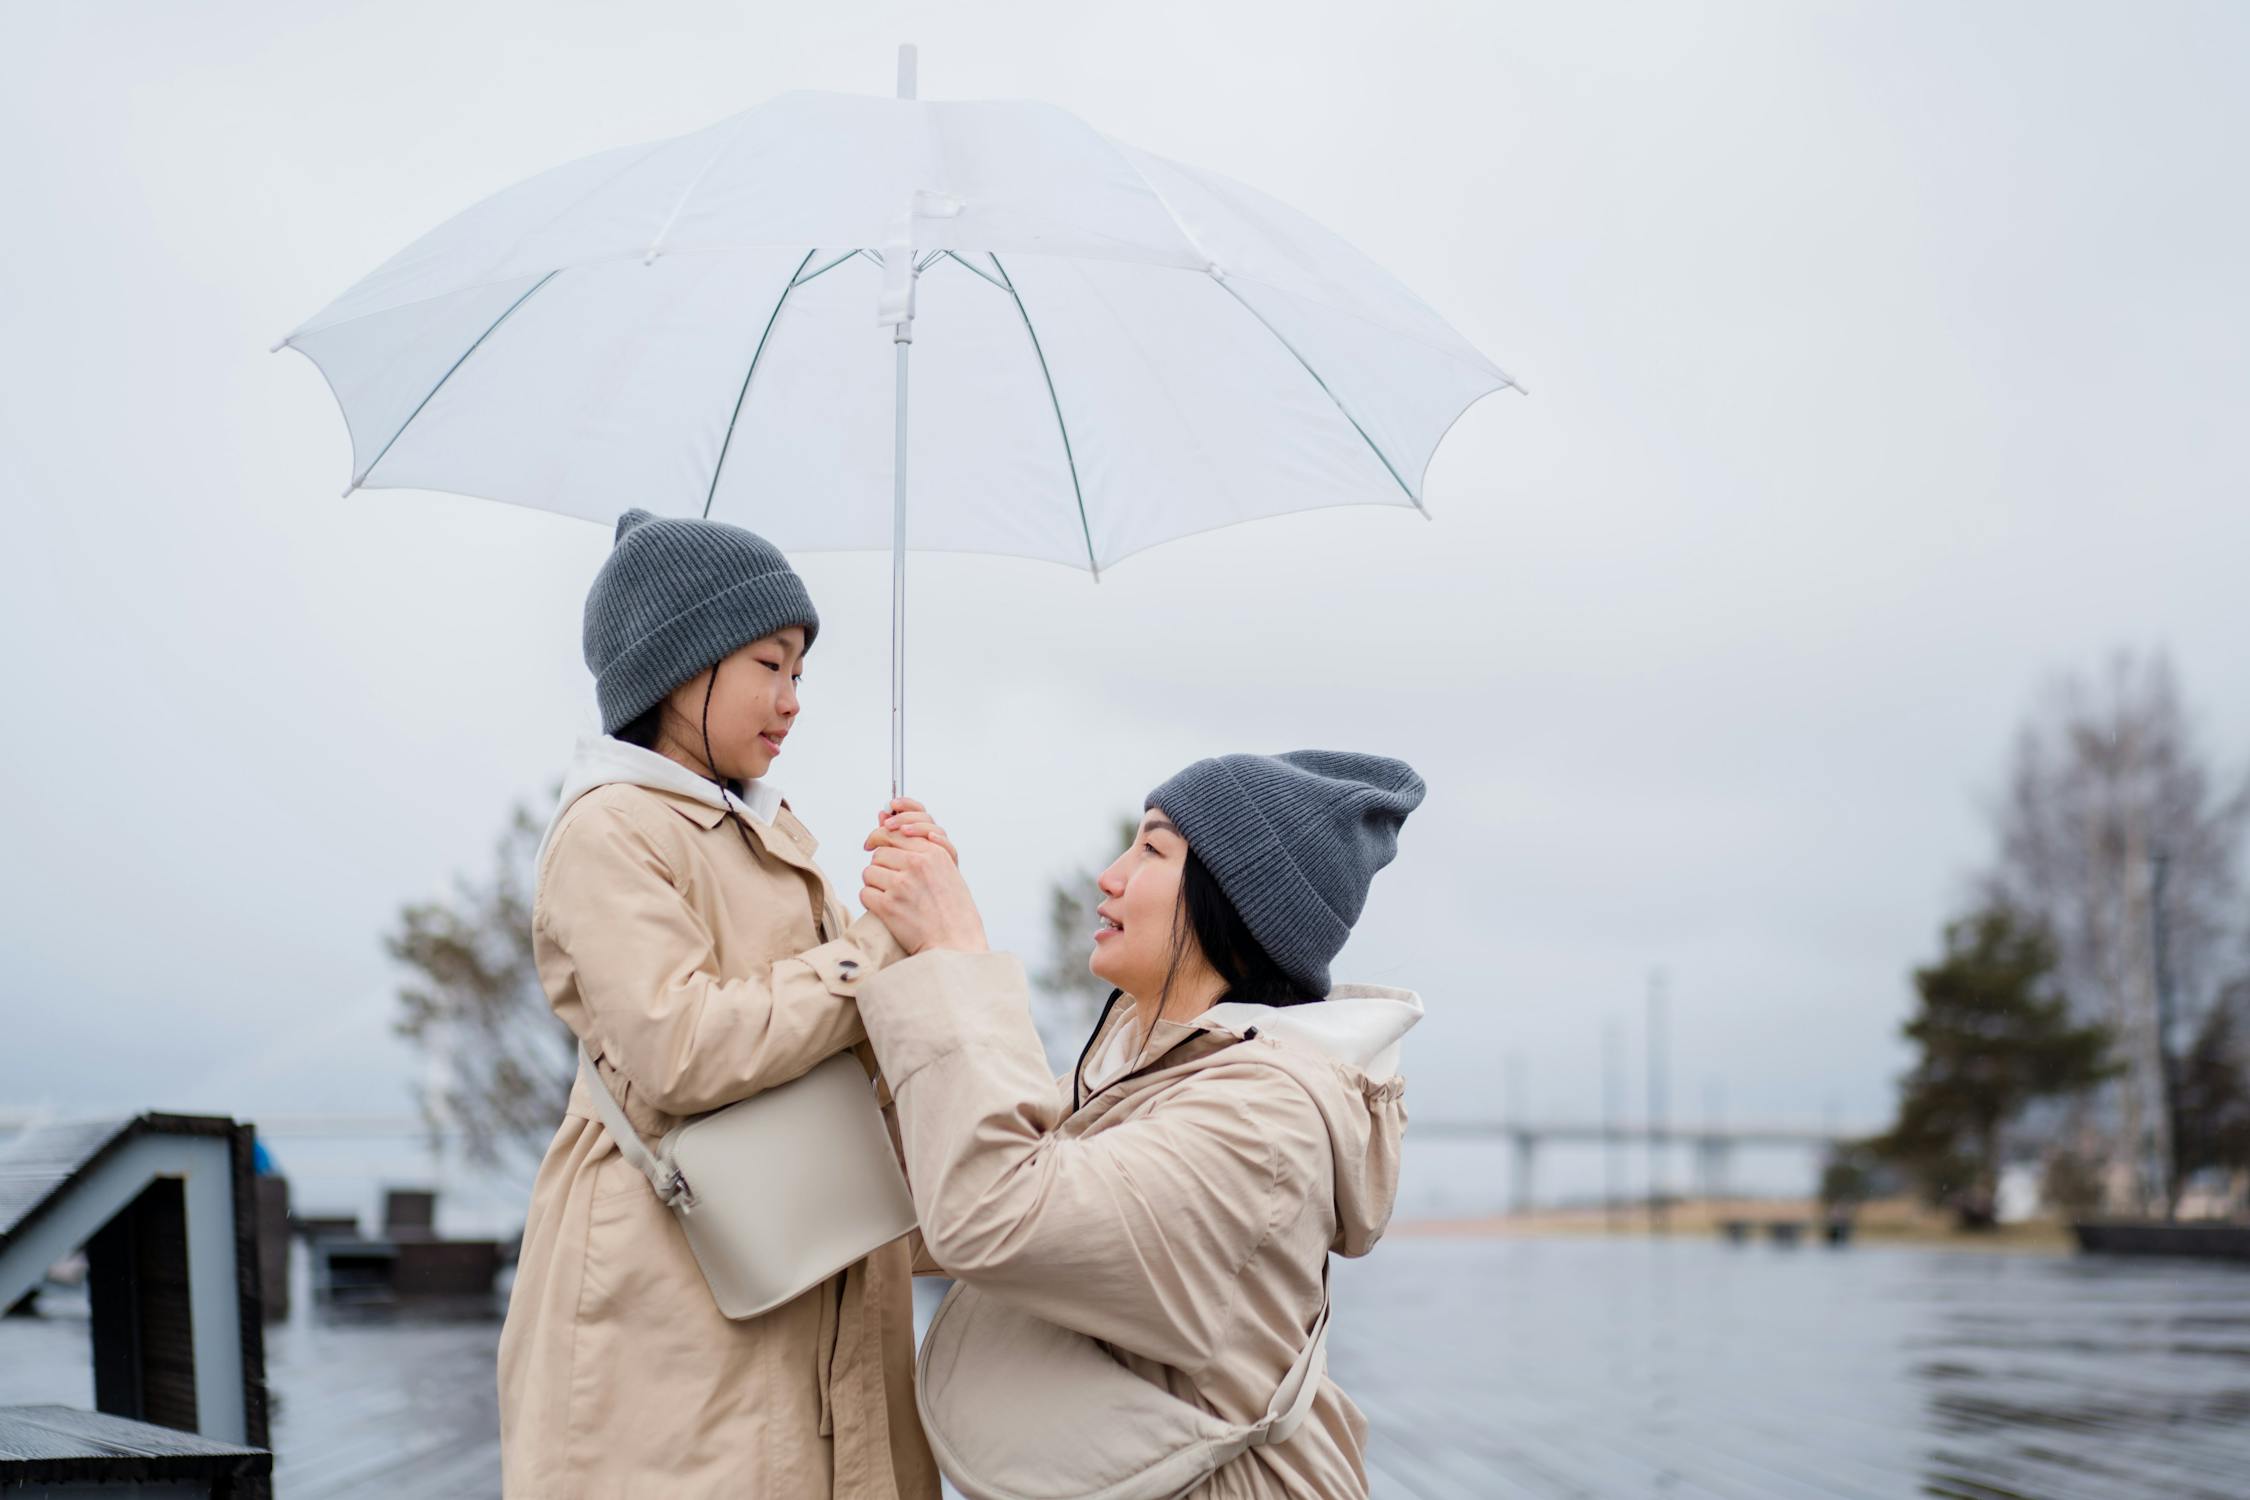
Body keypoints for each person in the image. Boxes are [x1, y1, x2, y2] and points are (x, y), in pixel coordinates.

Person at [498, 509, 938, 1500]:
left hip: (795, 1266)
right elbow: (680, 1046)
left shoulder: (773, 839)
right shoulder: (612, 829)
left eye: (800, 675)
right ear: (680, 666)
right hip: (670, 1289)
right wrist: (873, 952)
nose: (790, 702)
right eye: (768, 665)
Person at [856, 750, 1425, 1498]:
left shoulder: (1265, 1123)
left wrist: (956, 956)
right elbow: (921, 1206)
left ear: (1232, 901)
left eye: (1152, 848)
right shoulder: (1139, 1070)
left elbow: (995, 1214)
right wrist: (888, 974)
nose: (1110, 874)